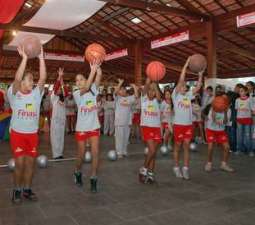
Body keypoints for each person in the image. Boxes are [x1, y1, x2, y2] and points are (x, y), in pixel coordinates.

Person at [7, 45, 46, 203]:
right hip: (17, 134)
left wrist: (41, 58)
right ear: (22, 82)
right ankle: (17, 189)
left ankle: (27, 190)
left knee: (30, 164)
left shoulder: (36, 94)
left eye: (32, 80)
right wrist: (24, 58)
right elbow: (16, 79)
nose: (33, 82)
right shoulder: (13, 93)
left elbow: (43, 79)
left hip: (32, 135)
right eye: (30, 79)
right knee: (20, 163)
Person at [73, 60, 102, 193]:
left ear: (85, 80)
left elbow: (98, 77)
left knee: (95, 153)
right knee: (81, 155)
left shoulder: (94, 91)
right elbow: (87, 85)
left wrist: (97, 67)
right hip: (81, 128)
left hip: (94, 127)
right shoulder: (77, 93)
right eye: (76, 80)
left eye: (81, 79)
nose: (78, 82)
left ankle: (94, 178)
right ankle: (77, 172)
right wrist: (92, 71)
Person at [171, 57, 203, 180]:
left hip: (188, 125)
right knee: (178, 146)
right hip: (178, 125)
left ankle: (185, 169)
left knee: (186, 146)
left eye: (185, 86)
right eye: (183, 85)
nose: (184, 86)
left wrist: (200, 74)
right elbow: (181, 79)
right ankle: (176, 168)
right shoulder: (176, 95)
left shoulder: (189, 95)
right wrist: (186, 64)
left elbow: (198, 86)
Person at [139, 78, 161, 184]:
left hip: (156, 128)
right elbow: (145, 87)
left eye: (153, 90)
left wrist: (155, 85)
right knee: (151, 151)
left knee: (153, 153)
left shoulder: (157, 101)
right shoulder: (143, 99)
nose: (151, 92)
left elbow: (159, 96)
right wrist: (149, 80)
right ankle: (143, 170)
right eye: (149, 90)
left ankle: (151, 175)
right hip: (146, 127)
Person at [204, 104, 234, 172]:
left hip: (221, 131)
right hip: (211, 130)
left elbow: (225, 122)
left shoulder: (228, 110)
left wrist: (225, 112)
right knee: (210, 147)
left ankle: (223, 165)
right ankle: (209, 164)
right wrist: (214, 111)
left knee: (227, 147)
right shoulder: (213, 108)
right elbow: (214, 120)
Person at [114, 79, 138, 158]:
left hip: (127, 122)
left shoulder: (129, 98)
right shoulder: (117, 98)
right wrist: (120, 83)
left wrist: (134, 87)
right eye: (121, 89)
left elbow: (136, 96)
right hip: (119, 122)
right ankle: (119, 152)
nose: (123, 91)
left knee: (126, 138)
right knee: (119, 138)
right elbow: (115, 91)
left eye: (124, 89)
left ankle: (124, 151)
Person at [50, 68, 68, 160]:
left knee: (61, 137)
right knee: (55, 136)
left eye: (60, 90)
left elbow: (65, 90)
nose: (59, 90)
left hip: (62, 120)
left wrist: (62, 80)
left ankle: (60, 153)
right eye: (58, 90)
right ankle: (55, 154)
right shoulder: (54, 98)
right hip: (55, 120)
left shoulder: (63, 99)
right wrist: (59, 76)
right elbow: (55, 87)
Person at [235, 85, 254, 156]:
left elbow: (253, 110)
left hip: (248, 119)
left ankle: (250, 150)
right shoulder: (237, 100)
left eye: (242, 91)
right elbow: (236, 109)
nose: (240, 92)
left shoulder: (250, 99)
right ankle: (239, 149)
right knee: (239, 135)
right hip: (239, 119)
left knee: (248, 135)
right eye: (240, 91)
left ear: (246, 92)